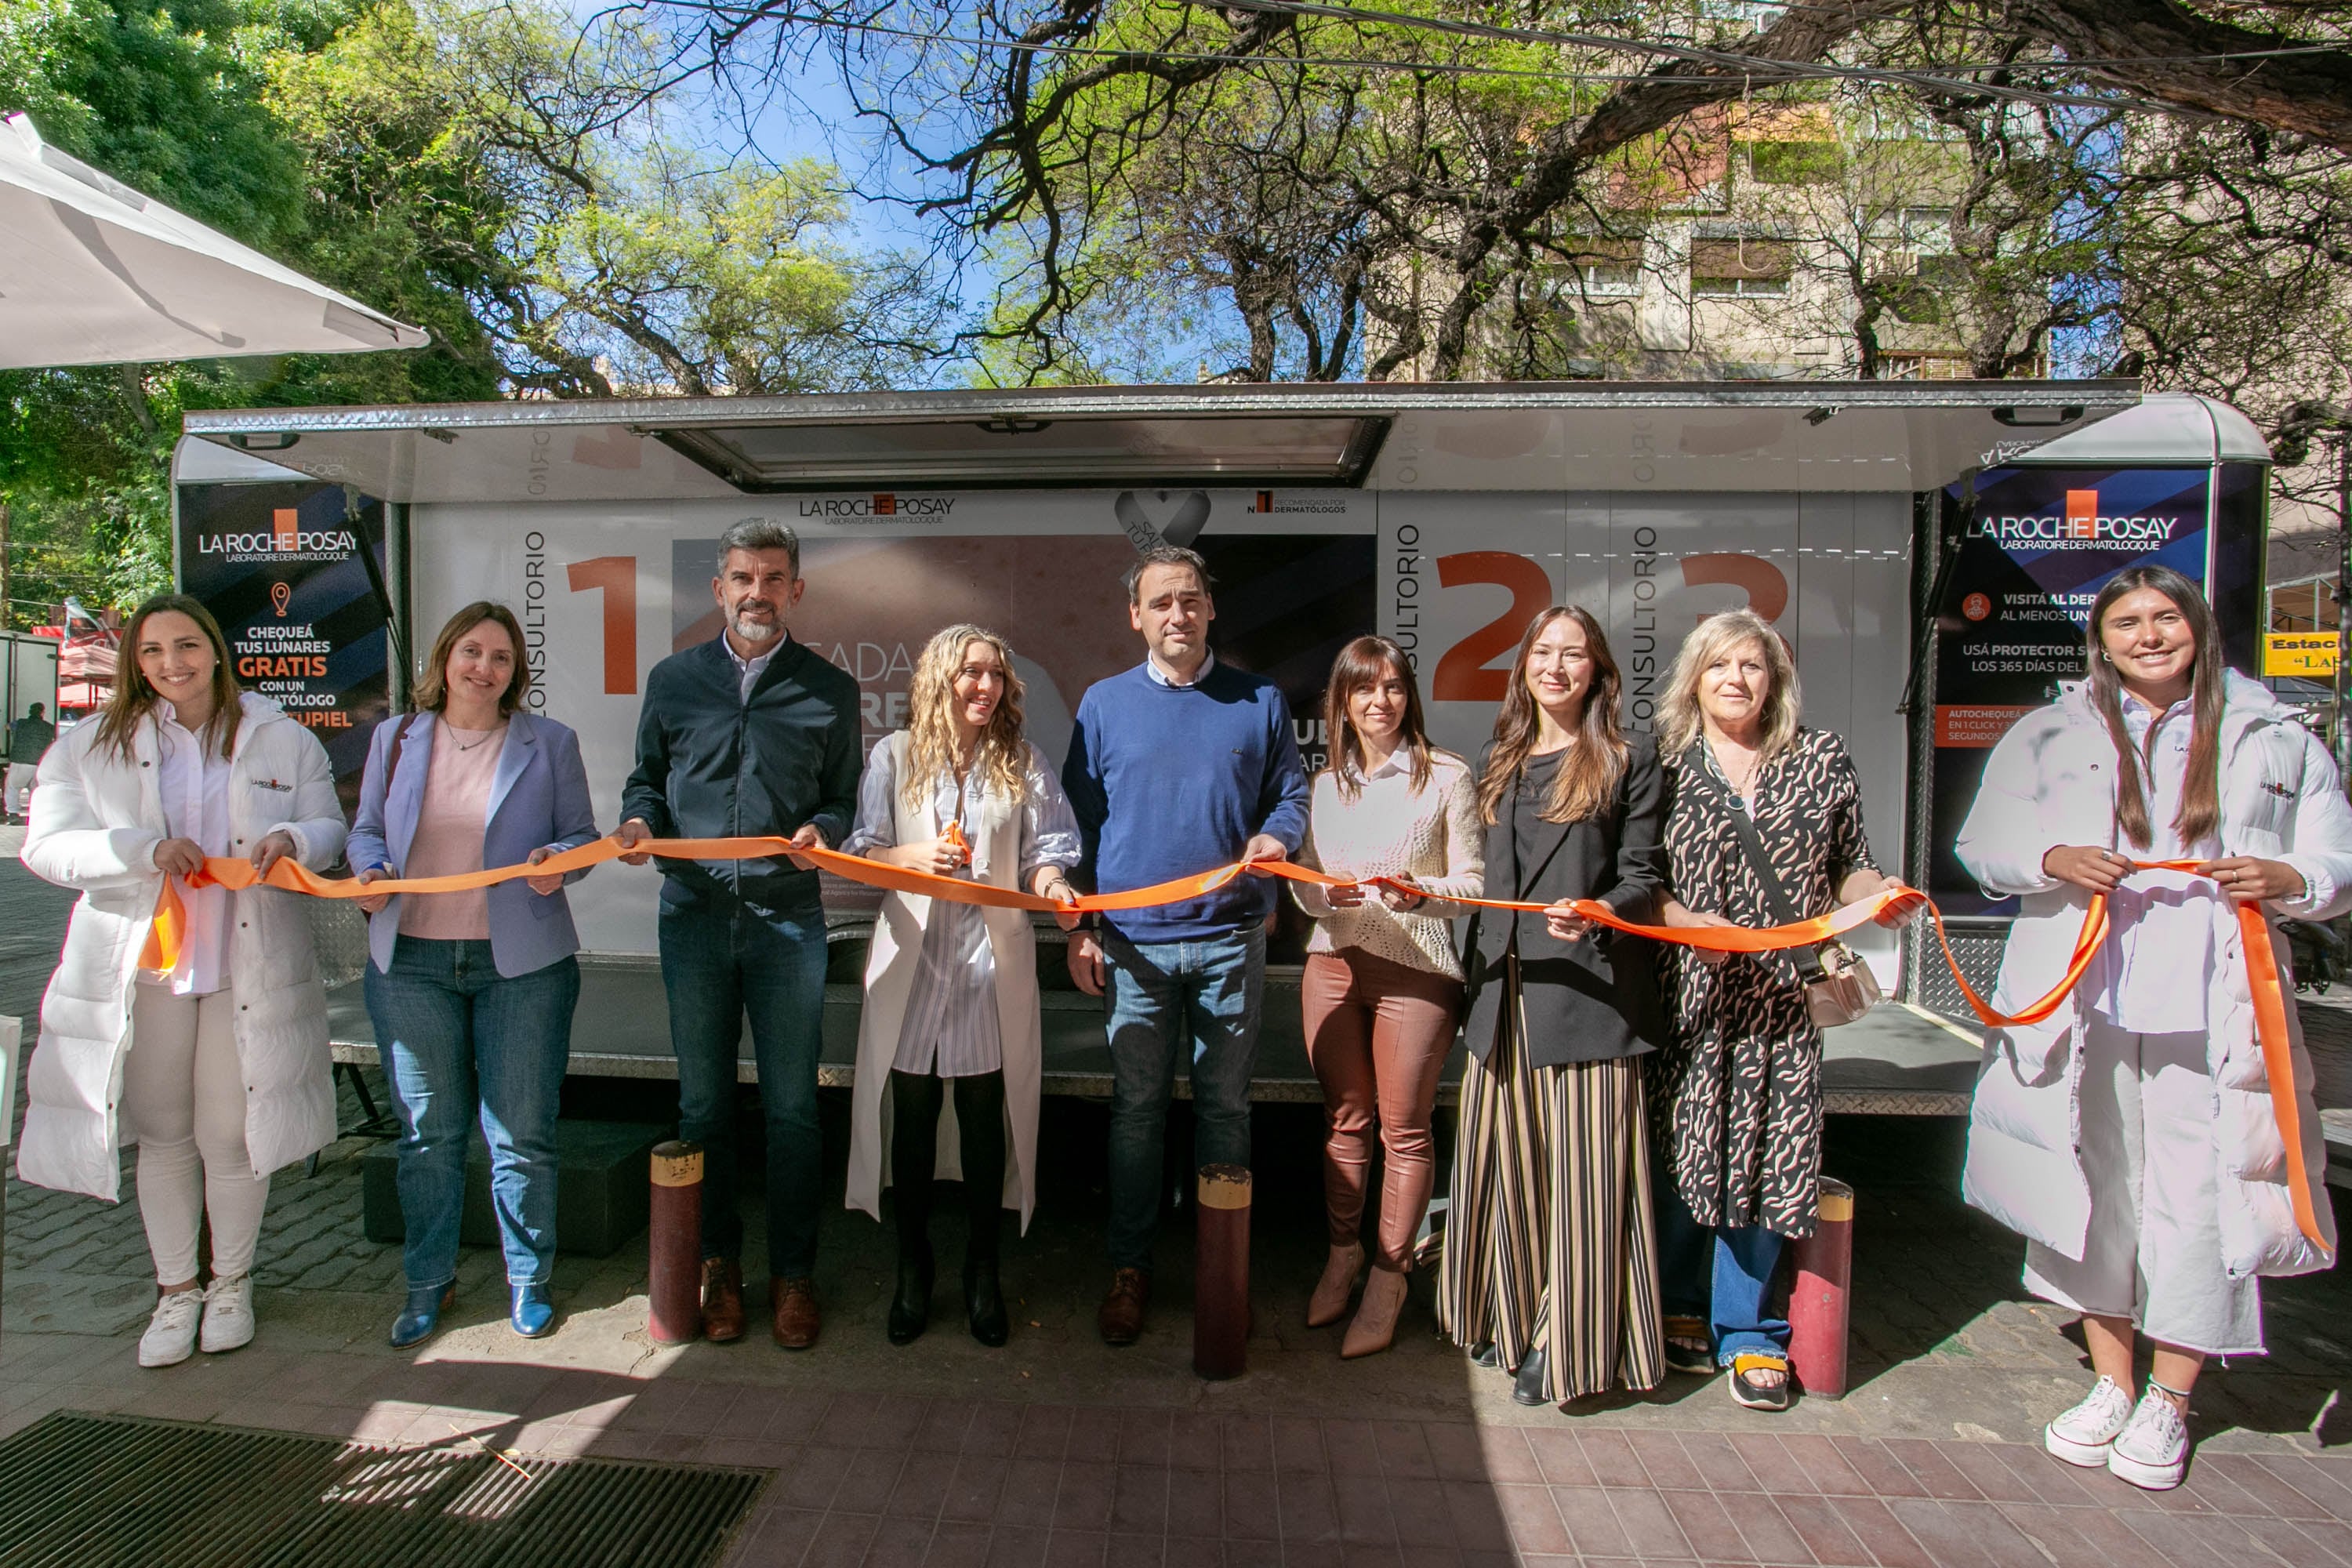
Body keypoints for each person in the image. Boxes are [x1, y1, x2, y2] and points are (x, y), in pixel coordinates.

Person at [1957, 564, 2349, 1490]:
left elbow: (2335, 856)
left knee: (2206, 1194)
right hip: (2087, 994)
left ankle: (2171, 1397)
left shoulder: (2274, 734)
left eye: (2164, 616)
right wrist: (2051, 856)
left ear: (2197, 626)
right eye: (2126, 620)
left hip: (2214, 1003)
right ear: (2101, 639)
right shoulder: (2050, 729)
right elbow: (1982, 847)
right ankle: (2109, 1379)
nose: (2147, 634)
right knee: (2096, 1183)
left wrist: (2289, 880)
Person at [19, 594, 343, 1367]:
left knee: (230, 1133)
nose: (174, 663)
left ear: (216, 649)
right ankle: (175, 1291)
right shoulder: (90, 744)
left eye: (188, 644)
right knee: (164, 1135)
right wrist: (137, 849)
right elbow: (47, 847)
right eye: (155, 649)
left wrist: (291, 837)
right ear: (135, 658)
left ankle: (231, 1281)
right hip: (148, 967)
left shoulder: (281, 736)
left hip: (245, 965)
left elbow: (329, 830)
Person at [1650, 609, 1916, 1411]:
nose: (1737, 678)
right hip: (1690, 989)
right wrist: (1687, 926)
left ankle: (1749, 1329)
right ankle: (1676, 1303)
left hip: (1780, 998)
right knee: (1683, 1144)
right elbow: (1642, 878)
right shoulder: (1663, 765)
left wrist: (1882, 896)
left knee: (1771, 1153)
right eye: (1720, 664)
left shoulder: (1820, 758)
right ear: (1694, 677)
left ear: (1777, 678)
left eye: (1752, 665)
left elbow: (1850, 866)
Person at [615, 517, 860, 1350]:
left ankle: (795, 1272)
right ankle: (719, 1266)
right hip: (691, 915)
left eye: (773, 577)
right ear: (718, 588)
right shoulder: (674, 678)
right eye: (741, 578)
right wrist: (639, 820)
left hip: (788, 919)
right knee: (703, 1104)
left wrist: (824, 827)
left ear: (796, 589)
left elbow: (843, 799)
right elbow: (646, 779)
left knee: (793, 1108)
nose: (757, 592)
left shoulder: (830, 689)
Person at [1062, 544, 1311, 1345]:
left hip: (1230, 940)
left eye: (1192, 599)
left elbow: (1292, 793)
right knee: (1136, 1112)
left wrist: (1277, 836)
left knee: (1224, 1110)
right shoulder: (1102, 704)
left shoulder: (1259, 699)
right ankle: (1129, 1267)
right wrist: (1086, 927)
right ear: (1135, 615)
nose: (1179, 613)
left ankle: (1220, 1264)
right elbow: (1079, 825)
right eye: (1162, 601)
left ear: (1212, 609)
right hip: (1133, 945)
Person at [1435, 604, 1669, 1409]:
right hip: (1503, 1000)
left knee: (1583, 1185)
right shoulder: (1498, 759)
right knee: (1514, 1174)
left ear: (1600, 671)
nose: (1557, 667)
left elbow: (1644, 876)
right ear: (1524, 665)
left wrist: (1601, 909)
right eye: (1544, 652)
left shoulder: (1628, 760)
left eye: (1575, 655)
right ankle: (1509, 1307)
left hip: (1588, 996)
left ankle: (1562, 1338)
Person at [347, 603, 598, 1348]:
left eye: (500, 657)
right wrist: (370, 868)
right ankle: (428, 1282)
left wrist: (561, 866)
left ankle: (529, 1280)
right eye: (472, 652)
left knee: (521, 1132)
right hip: (411, 963)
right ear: (445, 657)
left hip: (520, 964)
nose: (484, 668)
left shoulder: (549, 742)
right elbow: (364, 830)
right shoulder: (395, 738)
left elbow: (580, 836)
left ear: (516, 671)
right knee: (429, 1135)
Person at [843, 624, 1082, 1347]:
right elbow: (863, 854)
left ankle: (984, 1270)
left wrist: (1055, 886)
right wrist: (916, 857)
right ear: (940, 680)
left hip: (986, 963)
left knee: (985, 1121)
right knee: (910, 1120)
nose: (986, 687)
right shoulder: (894, 755)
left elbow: (1047, 851)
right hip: (913, 961)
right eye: (971, 674)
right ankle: (913, 1268)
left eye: (996, 676)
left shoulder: (1023, 760)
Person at [1290, 635, 1482, 1358]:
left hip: (1416, 969)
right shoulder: (1325, 785)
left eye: (1395, 687)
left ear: (1411, 696)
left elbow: (1471, 886)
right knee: (1345, 1121)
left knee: (1405, 1129)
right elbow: (1308, 884)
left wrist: (1417, 895)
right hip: (1334, 962)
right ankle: (1342, 1255)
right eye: (1365, 690)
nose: (1381, 702)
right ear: (1341, 702)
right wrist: (1321, 895)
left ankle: (1389, 1275)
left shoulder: (1447, 779)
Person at [8, 700, 56, 822]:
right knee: (35, 791)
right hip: (39, 764)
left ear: (30, 711)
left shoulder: (20, 723)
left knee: (13, 788)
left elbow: (8, 727)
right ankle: (34, 814)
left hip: (20, 761)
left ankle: (13, 813)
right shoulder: (50, 727)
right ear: (42, 713)